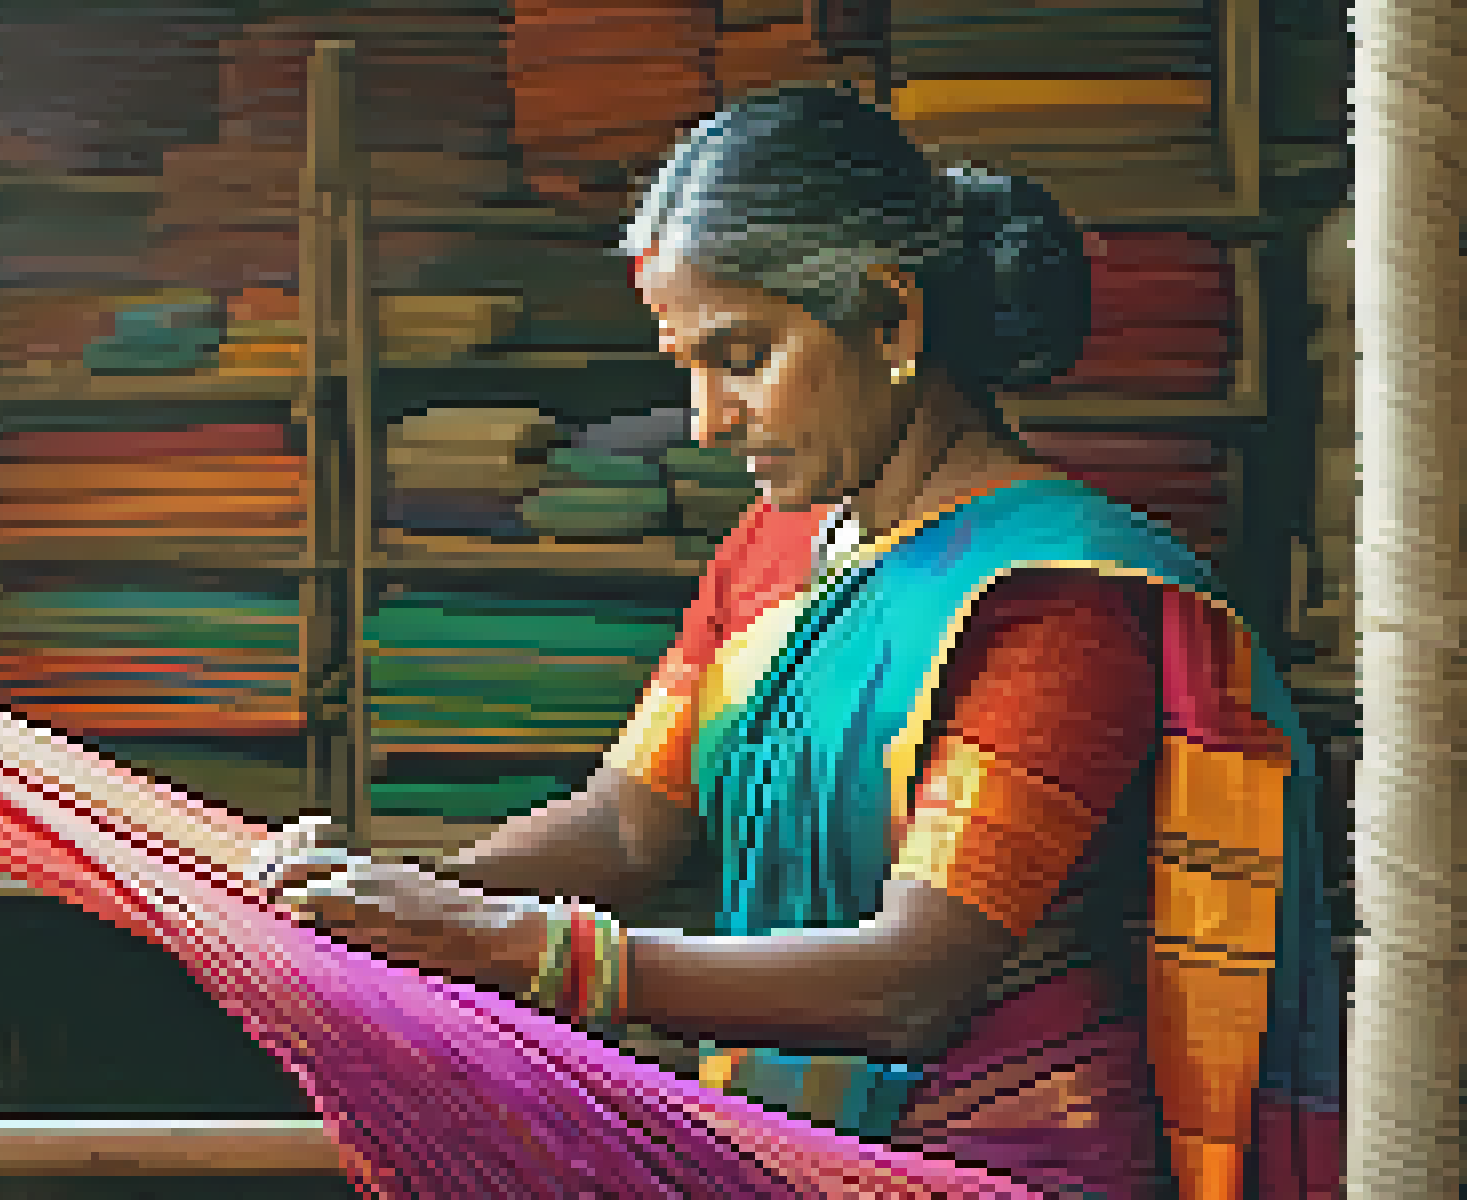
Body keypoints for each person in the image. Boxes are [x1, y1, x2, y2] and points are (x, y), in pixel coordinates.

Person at [267, 86, 1342, 1200]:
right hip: (776, 1148)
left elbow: (913, 982)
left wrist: (518, 949)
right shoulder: (778, 546)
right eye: (687, 364)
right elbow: (632, 820)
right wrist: (394, 903)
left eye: (742, 354)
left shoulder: (1046, 600)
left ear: (892, 318)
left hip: (999, 1168)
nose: (706, 419)